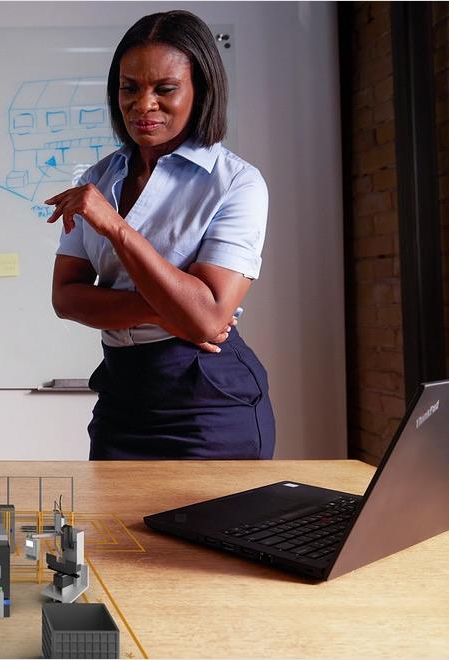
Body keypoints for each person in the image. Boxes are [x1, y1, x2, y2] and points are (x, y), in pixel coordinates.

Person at [46, 10, 275, 460]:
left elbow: (206, 322)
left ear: (200, 91)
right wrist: (169, 311)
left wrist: (115, 226)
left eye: (165, 89)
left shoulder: (236, 183)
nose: (143, 104)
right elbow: (66, 298)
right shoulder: (99, 179)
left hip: (208, 399)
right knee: (111, 513)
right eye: (129, 88)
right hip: (121, 395)